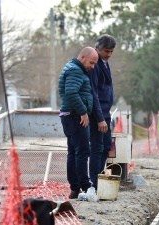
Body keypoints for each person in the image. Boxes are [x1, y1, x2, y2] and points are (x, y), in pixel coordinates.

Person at [58, 46, 98, 199]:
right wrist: (83, 111)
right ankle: (85, 186)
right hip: (75, 116)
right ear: (83, 58)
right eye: (91, 62)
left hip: (70, 115)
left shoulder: (73, 68)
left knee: (74, 152)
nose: (92, 67)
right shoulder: (75, 70)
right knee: (82, 151)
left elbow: (69, 92)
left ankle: (75, 188)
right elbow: (71, 92)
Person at [89, 34, 116, 188]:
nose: (109, 55)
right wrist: (99, 118)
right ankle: (94, 183)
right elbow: (94, 93)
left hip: (106, 111)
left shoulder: (105, 63)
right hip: (98, 114)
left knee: (106, 147)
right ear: (97, 48)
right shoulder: (95, 64)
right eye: (106, 51)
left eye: (111, 52)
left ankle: (100, 179)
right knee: (97, 148)